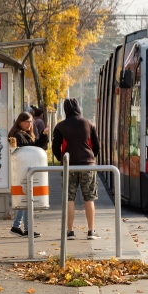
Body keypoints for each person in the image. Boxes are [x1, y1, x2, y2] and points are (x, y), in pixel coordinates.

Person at [52, 98, 100, 240]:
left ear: (65, 109)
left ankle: (70, 232)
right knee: (89, 198)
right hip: (87, 165)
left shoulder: (60, 126)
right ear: (78, 107)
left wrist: (62, 159)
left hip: (69, 166)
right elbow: (96, 146)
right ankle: (91, 231)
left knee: (69, 198)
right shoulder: (88, 124)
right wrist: (91, 158)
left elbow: (55, 147)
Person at [7, 112, 43, 237]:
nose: (29, 124)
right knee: (26, 200)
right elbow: (29, 149)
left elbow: (36, 146)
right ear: (20, 122)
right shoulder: (19, 135)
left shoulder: (24, 134)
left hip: (24, 170)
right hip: (24, 170)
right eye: (27, 121)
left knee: (26, 200)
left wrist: (44, 135)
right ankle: (22, 227)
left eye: (31, 121)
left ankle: (20, 227)